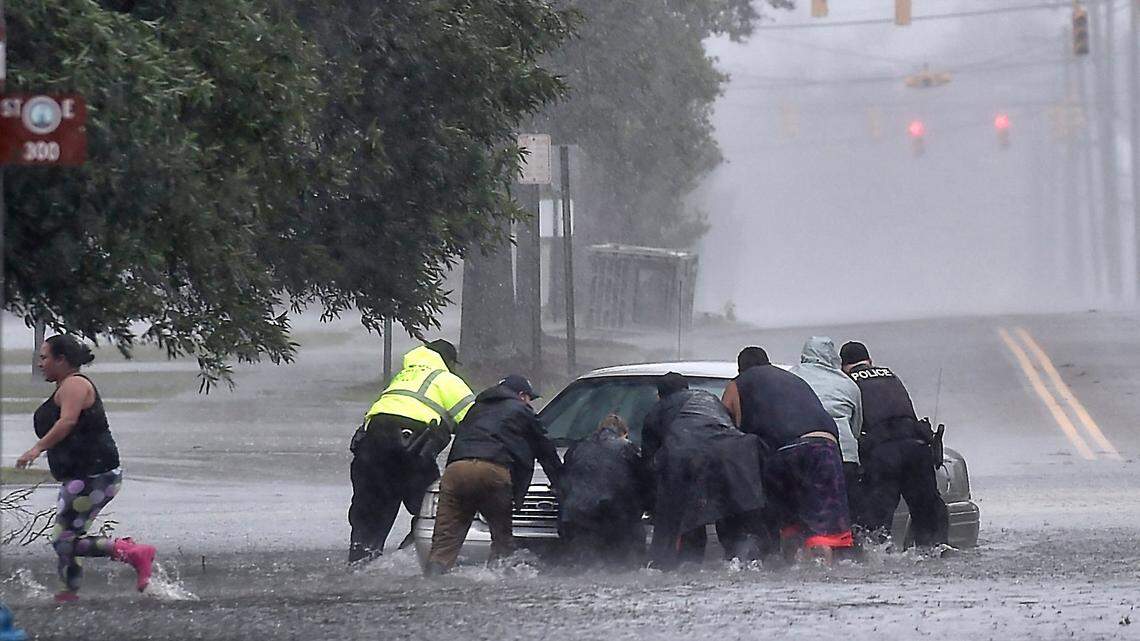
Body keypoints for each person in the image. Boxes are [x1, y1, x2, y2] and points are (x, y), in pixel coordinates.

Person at [15, 335, 156, 602]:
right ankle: (69, 592)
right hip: (85, 475)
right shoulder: (66, 385)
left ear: (62, 360)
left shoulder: (75, 385)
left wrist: (37, 448)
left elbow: (67, 422)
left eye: (44, 357)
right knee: (67, 537)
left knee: (63, 539)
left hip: (93, 475)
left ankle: (129, 551)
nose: (40, 363)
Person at [722, 346, 854, 562]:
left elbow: (727, 427)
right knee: (822, 532)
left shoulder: (738, 383)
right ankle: (824, 576)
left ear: (740, 368)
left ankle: (792, 573)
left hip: (784, 453)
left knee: (791, 525)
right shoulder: (792, 378)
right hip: (825, 447)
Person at [348, 339, 475, 563]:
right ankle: (405, 560)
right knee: (436, 509)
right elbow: (476, 420)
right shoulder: (446, 380)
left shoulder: (403, 376)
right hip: (411, 449)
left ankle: (361, 563)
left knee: (370, 512)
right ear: (449, 362)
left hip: (371, 447)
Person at [425, 375, 562, 575]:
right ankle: (497, 583)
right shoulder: (521, 410)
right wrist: (561, 483)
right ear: (522, 395)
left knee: (444, 542)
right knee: (501, 539)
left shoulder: (475, 410)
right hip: (493, 471)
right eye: (529, 398)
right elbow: (545, 449)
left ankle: (432, 580)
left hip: (456, 471)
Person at [642, 373, 766, 569]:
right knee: (736, 524)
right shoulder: (711, 399)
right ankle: (745, 562)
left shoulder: (657, 411)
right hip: (735, 456)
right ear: (687, 388)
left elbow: (650, 469)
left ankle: (683, 566)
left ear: (660, 395)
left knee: (686, 523)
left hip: (688, 460)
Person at [840, 341, 949, 547]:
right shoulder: (890, 375)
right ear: (870, 361)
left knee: (877, 519)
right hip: (916, 447)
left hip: (883, 454)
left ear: (843, 366)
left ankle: (878, 556)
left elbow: (851, 427)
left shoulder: (847, 383)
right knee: (927, 509)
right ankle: (935, 550)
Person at [557, 414, 650, 567]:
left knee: (580, 568)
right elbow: (643, 481)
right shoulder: (626, 448)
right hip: (613, 517)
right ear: (623, 433)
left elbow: (564, 480)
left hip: (576, 517)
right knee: (625, 566)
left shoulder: (577, 447)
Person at [790, 337, 864, 525]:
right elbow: (856, 428)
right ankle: (854, 550)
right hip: (845, 456)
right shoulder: (848, 383)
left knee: (810, 519)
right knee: (849, 518)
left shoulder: (791, 377)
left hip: (806, 454)